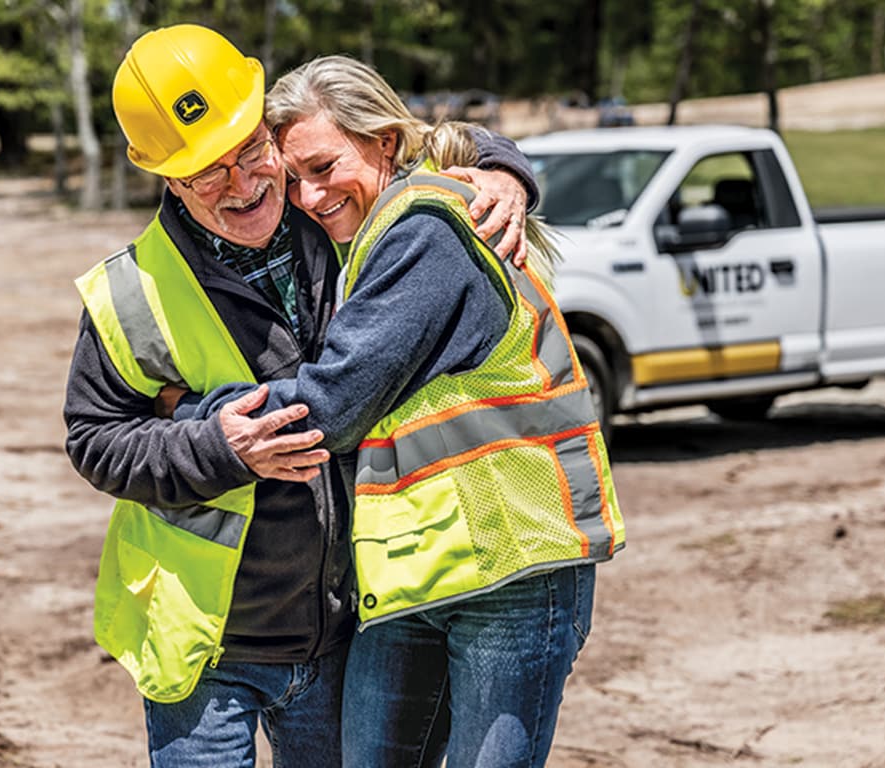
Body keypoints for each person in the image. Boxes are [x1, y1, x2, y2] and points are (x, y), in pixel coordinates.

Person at [62, 24, 539, 768]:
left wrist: (503, 167)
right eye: (205, 175)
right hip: (205, 644)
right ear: (164, 177)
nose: (244, 185)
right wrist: (215, 443)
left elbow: (404, 144)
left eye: (252, 152)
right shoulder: (129, 292)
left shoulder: (332, 218)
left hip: (338, 631)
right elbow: (94, 437)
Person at [176, 55, 627, 767]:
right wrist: (501, 159)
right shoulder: (372, 236)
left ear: (383, 141)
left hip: (510, 569)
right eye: (294, 179)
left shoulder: (428, 232)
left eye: (324, 167)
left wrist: (201, 416)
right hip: (419, 579)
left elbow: (334, 404)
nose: (310, 196)